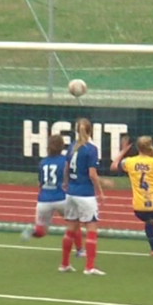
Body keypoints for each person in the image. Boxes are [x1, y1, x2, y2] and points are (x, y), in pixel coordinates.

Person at [19, 134, 78, 270]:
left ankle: (32, 231)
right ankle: (80, 250)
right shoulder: (65, 161)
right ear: (62, 146)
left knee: (41, 231)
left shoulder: (43, 162)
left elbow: (40, 183)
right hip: (61, 198)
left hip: (44, 199)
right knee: (74, 223)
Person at [62, 117, 107, 275]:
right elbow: (92, 174)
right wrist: (100, 192)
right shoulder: (91, 149)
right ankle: (89, 267)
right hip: (85, 194)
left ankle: (65, 264)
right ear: (90, 130)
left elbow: (66, 167)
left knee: (71, 228)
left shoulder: (73, 146)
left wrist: (66, 183)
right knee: (92, 228)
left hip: (71, 193)